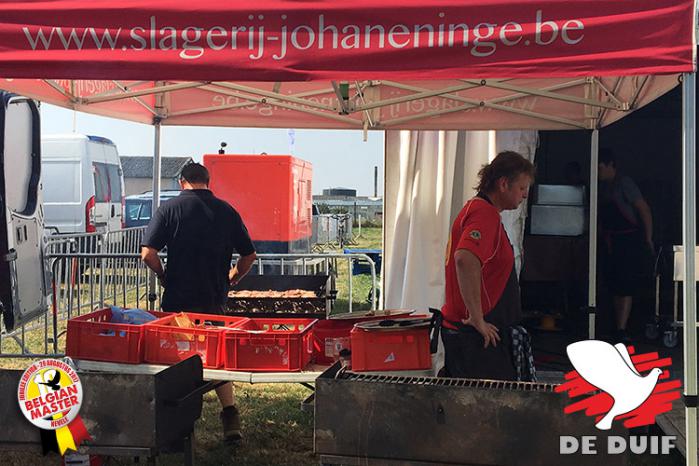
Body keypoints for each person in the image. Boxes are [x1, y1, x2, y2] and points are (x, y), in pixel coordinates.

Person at [140, 162, 257, 442]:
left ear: (182, 182)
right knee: (217, 358)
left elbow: (147, 254)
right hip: (213, 298)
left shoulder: (168, 210)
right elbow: (249, 256)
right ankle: (230, 418)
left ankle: (176, 422)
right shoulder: (227, 211)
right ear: (208, 181)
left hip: (178, 300)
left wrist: (163, 274)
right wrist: (233, 276)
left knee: (175, 358)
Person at [440, 151, 535, 380]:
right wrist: (477, 318)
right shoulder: (484, 214)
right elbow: (464, 258)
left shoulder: (478, 210)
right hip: (477, 339)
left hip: (472, 333)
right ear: (504, 184)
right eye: (522, 189)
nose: (524, 196)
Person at [597, 149, 653, 344]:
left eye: (600, 167)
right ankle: (617, 326)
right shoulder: (604, 187)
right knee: (614, 284)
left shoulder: (624, 183)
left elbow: (643, 209)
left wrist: (648, 239)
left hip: (628, 242)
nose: (598, 171)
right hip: (611, 241)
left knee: (625, 285)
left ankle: (621, 329)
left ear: (610, 164)